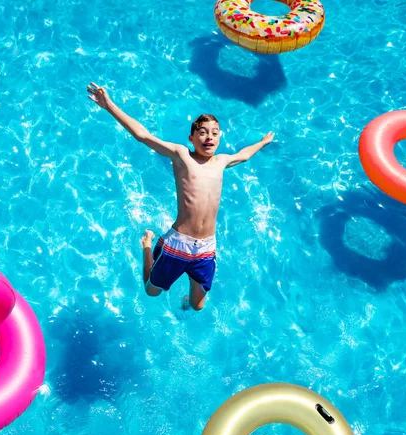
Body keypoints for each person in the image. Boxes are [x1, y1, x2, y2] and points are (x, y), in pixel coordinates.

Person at [87, 82, 274, 311]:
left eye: (214, 133)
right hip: (179, 245)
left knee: (197, 306)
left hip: (206, 247)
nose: (209, 137)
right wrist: (109, 106)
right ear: (191, 138)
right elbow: (142, 135)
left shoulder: (222, 161)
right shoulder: (181, 155)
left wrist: (263, 142)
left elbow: (243, 156)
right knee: (151, 291)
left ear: (219, 138)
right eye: (202, 132)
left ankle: (185, 301)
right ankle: (147, 246)